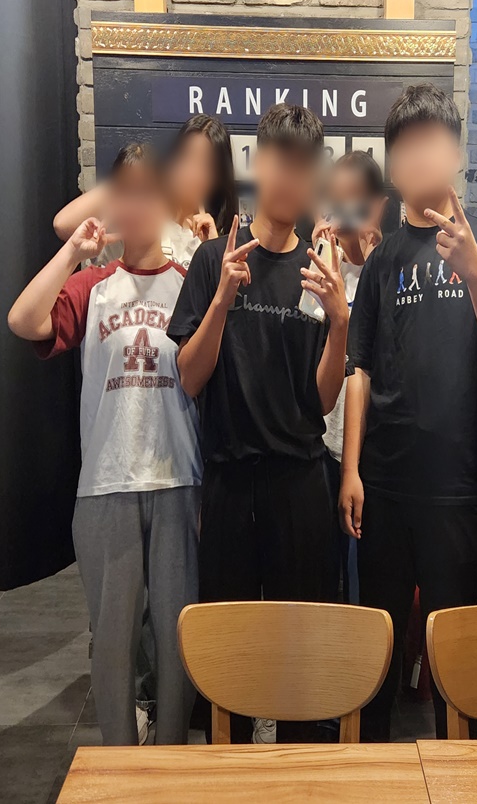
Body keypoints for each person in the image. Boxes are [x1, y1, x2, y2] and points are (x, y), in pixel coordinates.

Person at [341, 84, 477, 742]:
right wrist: (350, 470)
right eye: (407, 148)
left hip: (459, 489)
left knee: (455, 662)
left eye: (433, 144)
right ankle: (372, 773)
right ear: (393, 167)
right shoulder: (383, 261)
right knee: (379, 658)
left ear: (456, 155)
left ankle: (459, 775)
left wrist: (474, 269)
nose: (421, 158)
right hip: (386, 486)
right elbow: (359, 369)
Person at [168, 103, 349, 744]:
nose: (288, 178)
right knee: (231, 653)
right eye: (278, 162)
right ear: (258, 165)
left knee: (300, 649)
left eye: (303, 166)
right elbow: (190, 378)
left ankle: (299, 770)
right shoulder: (213, 258)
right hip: (230, 481)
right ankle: (230, 769)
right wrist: (221, 298)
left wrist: (340, 322)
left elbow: (323, 400)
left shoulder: (319, 271)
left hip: (300, 481)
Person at [8, 144, 199, 746]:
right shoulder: (93, 286)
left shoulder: (189, 285)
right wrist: (74, 251)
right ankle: (120, 760)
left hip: (177, 480)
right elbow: (24, 320)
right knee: (113, 640)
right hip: (107, 483)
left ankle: (170, 754)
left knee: (177, 637)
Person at [315, 150, 386, 604]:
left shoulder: (390, 266)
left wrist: (377, 261)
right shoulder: (323, 268)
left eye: (356, 200)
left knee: (366, 582)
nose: (345, 212)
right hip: (322, 443)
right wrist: (323, 260)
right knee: (322, 576)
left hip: (372, 448)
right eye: (336, 200)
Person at [53, 114, 239, 268]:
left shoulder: (213, 236)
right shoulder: (142, 212)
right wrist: (130, 181)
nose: (192, 173)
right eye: (186, 157)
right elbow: (63, 225)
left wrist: (213, 249)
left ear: (219, 178)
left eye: (206, 166)